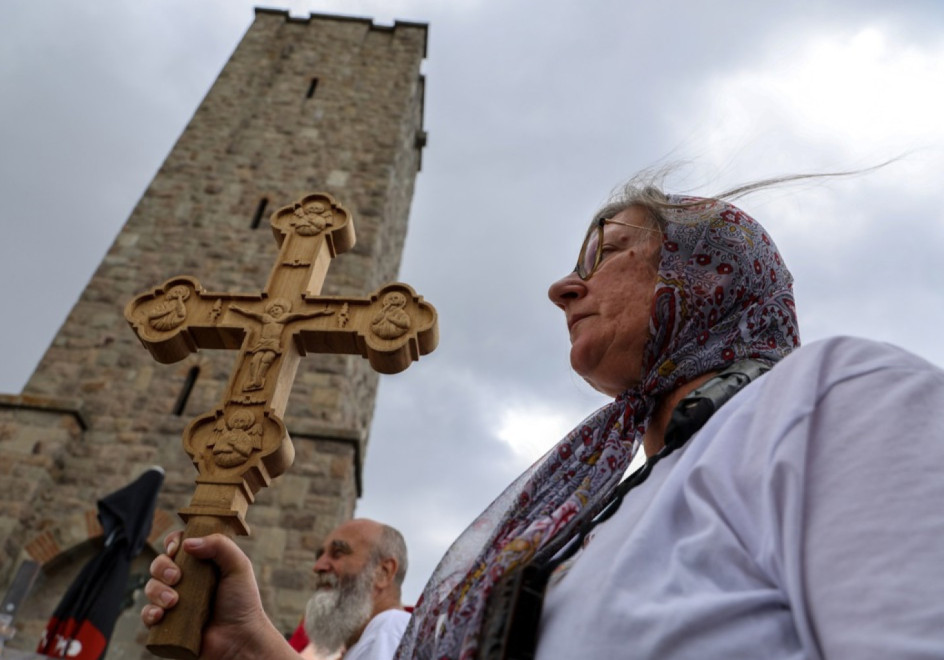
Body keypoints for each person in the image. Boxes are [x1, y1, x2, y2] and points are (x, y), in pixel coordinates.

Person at [148, 174, 944, 659]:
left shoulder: (833, 397)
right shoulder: (596, 524)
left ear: (707, 274)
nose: (564, 287)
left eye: (606, 256)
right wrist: (254, 650)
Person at [143, 518, 410, 660]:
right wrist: (239, 642)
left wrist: (248, 639)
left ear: (383, 572)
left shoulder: (392, 627)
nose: (318, 566)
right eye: (320, 554)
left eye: (338, 553)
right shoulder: (360, 646)